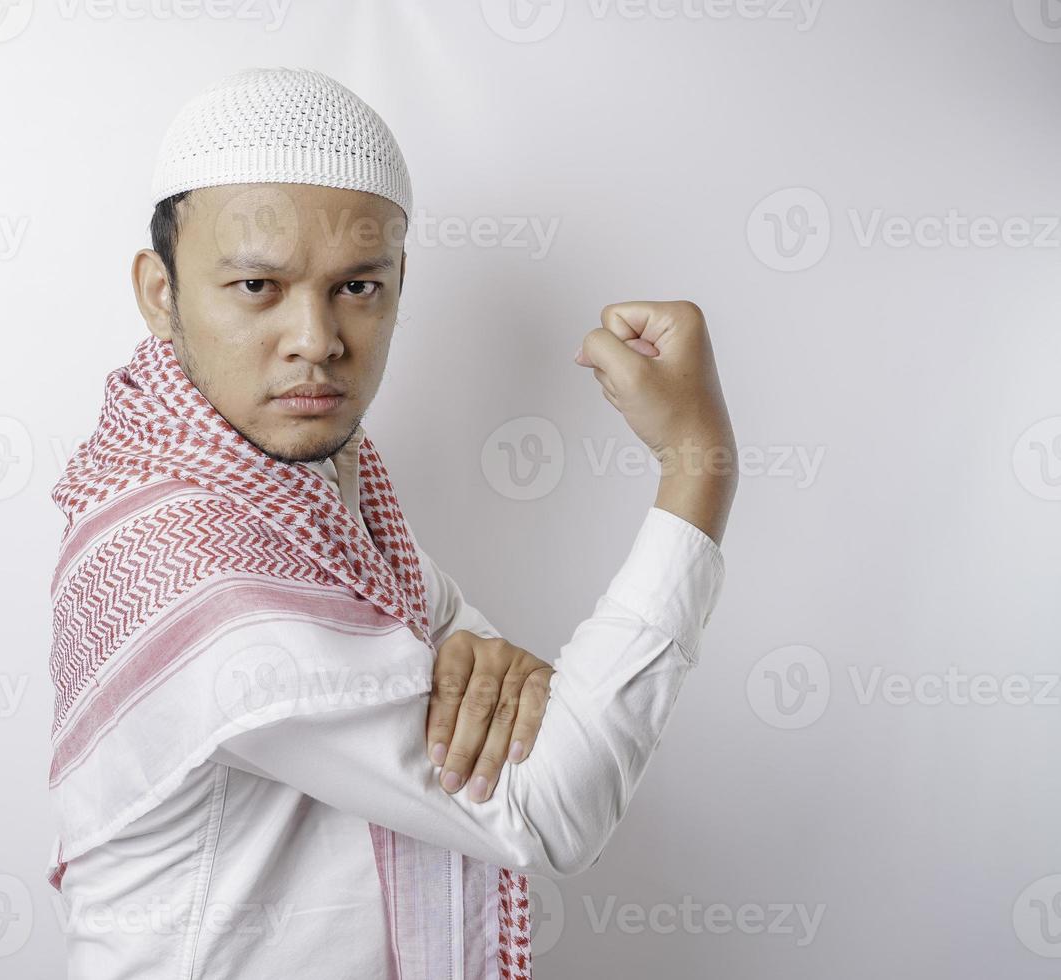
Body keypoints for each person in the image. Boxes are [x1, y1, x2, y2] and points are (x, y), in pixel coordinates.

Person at [45, 66, 736, 980]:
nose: (316, 340)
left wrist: (486, 668)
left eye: (357, 288)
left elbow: (500, 695)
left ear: (400, 280)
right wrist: (699, 463)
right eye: (257, 285)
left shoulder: (313, 491)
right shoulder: (197, 570)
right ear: (160, 292)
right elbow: (550, 807)